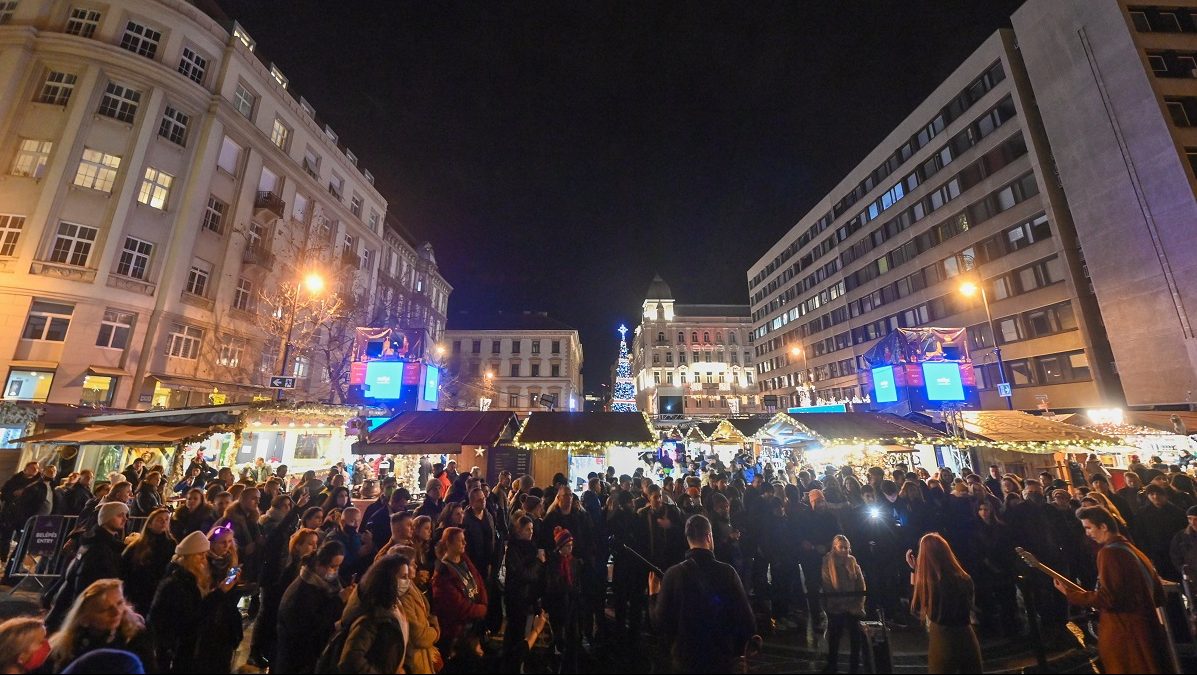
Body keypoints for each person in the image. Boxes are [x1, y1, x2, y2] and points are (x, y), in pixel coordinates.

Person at [1054, 506, 1174, 674]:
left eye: (1089, 527)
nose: (1087, 533)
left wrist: (1071, 594)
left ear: (1103, 526)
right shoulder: (1133, 550)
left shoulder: (1109, 553)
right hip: (1148, 628)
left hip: (1127, 633)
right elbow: (1158, 594)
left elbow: (1108, 598)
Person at [649, 514, 756, 674]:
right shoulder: (727, 572)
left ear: (688, 538)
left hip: (686, 660)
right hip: (720, 657)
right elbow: (747, 621)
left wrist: (653, 595)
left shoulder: (673, 574)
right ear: (709, 536)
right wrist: (739, 651)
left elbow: (659, 623)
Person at [148, 531, 240, 673]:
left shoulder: (190, 577)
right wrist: (220, 592)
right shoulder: (176, 583)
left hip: (195, 648)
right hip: (182, 653)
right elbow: (193, 617)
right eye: (200, 555)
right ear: (187, 557)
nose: (204, 559)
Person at [908, 532, 982, 674]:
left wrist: (915, 571)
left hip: (943, 638)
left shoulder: (930, 584)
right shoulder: (964, 578)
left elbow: (916, 607)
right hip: (966, 634)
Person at [48, 502, 129, 630]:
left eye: (125, 515)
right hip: (88, 610)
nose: (125, 518)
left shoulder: (100, 542)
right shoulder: (98, 548)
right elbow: (85, 583)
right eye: (119, 515)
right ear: (106, 518)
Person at [276, 541, 351, 675]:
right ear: (318, 564)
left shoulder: (324, 583)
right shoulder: (302, 591)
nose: (335, 571)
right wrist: (339, 601)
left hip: (308, 656)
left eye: (338, 566)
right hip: (296, 658)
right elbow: (313, 626)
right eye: (333, 566)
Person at [47, 579, 153, 672]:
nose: (116, 612)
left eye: (120, 603)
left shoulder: (136, 639)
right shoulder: (65, 647)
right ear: (84, 619)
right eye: (105, 609)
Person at [334, 553, 411, 675]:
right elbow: (350, 660)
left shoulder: (396, 606)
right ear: (389, 579)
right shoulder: (373, 616)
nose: (407, 581)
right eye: (403, 577)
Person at [430, 526, 488, 663]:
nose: (464, 543)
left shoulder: (464, 560)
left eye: (464, 540)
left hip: (472, 627)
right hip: (457, 632)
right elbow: (458, 606)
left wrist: (484, 602)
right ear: (448, 544)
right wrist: (482, 609)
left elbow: (478, 580)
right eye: (460, 540)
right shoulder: (443, 574)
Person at [501, 515, 544, 670]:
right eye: (527, 529)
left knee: (523, 633)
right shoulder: (513, 550)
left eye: (531, 529)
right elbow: (523, 574)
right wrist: (538, 563)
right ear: (519, 531)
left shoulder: (530, 548)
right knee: (516, 634)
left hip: (528, 598)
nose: (530, 532)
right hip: (517, 599)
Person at [822, 534, 866, 674]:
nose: (844, 551)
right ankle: (832, 664)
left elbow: (860, 584)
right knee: (834, 636)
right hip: (836, 606)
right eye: (841, 547)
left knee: (855, 637)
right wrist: (839, 603)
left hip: (853, 606)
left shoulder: (852, 561)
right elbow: (827, 584)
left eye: (846, 548)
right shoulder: (828, 562)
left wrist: (857, 603)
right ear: (835, 547)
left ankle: (854, 666)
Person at [119, 508, 175, 617]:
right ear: (149, 524)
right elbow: (124, 568)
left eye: (167, 519)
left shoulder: (171, 544)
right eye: (159, 519)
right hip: (140, 593)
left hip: (160, 592)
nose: (164, 522)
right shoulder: (137, 546)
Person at [398, 552, 442, 674]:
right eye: (412, 564)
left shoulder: (412, 587)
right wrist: (435, 631)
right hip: (415, 657)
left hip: (422, 654)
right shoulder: (404, 596)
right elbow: (418, 636)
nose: (416, 567)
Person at [1135, 484, 1188, 580]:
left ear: (1165, 495)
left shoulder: (1177, 512)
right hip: (1155, 553)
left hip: (1174, 551)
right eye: (1151, 494)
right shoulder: (1142, 513)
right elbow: (1140, 534)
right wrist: (1146, 553)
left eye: (1158, 494)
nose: (1155, 497)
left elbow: (1183, 533)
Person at [0, 461, 46, 563]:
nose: (35, 470)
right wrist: (13, 494)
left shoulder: (38, 484)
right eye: (32, 468)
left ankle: (14, 562)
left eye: (36, 468)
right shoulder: (15, 479)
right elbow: (4, 493)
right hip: (10, 513)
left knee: (22, 540)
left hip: (25, 516)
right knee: (5, 537)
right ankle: (3, 559)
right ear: (26, 468)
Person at [1170, 505, 1197, 580]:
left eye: (1196, 519)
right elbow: (1175, 555)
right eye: (1190, 519)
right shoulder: (1181, 537)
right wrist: (1184, 570)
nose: (1192, 522)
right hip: (1192, 577)